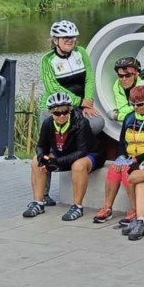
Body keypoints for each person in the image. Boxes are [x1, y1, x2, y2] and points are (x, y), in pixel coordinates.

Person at [23, 92, 104, 221]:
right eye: (57, 113)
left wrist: (57, 162)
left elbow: (81, 151)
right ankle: (38, 202)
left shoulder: (81, 123)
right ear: (50, 112)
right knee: (35, 162)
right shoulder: (48, 123)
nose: (62, 116)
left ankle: (77, 207)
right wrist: (41, 158)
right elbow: (41, 146)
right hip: (63, 153)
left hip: (90, 153)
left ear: (70, 110)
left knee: (78, 165)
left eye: (65, 112)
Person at [93, 86, 144, 226]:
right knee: (113, 170)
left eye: (140, 104)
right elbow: (121, 143)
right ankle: (107, 207)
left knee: (128, 171)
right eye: (132, 104)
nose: (136, 107)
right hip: (129, 156)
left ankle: (135, 210)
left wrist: (136, 159)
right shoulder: (129, 117)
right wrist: (121, 156)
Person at [40, 20, 100, 119]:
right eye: (65, 37)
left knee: (97, 123)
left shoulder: (81, 52)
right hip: (56, 107)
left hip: (80, 105)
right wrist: (80, 102)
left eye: (72, 37)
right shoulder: (47, 60)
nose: (70, 40)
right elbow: (53, 88)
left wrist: (87, 102)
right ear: (55, 40)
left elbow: (89, 78)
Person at [110, 57, 141, 122]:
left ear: (135, 75)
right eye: (120, 76)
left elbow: (142, 113)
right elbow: (122, 109)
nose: (124, 79)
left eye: (128, 75)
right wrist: (135, 108)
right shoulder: (117, 85)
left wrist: (118, 116)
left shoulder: (143, 86)